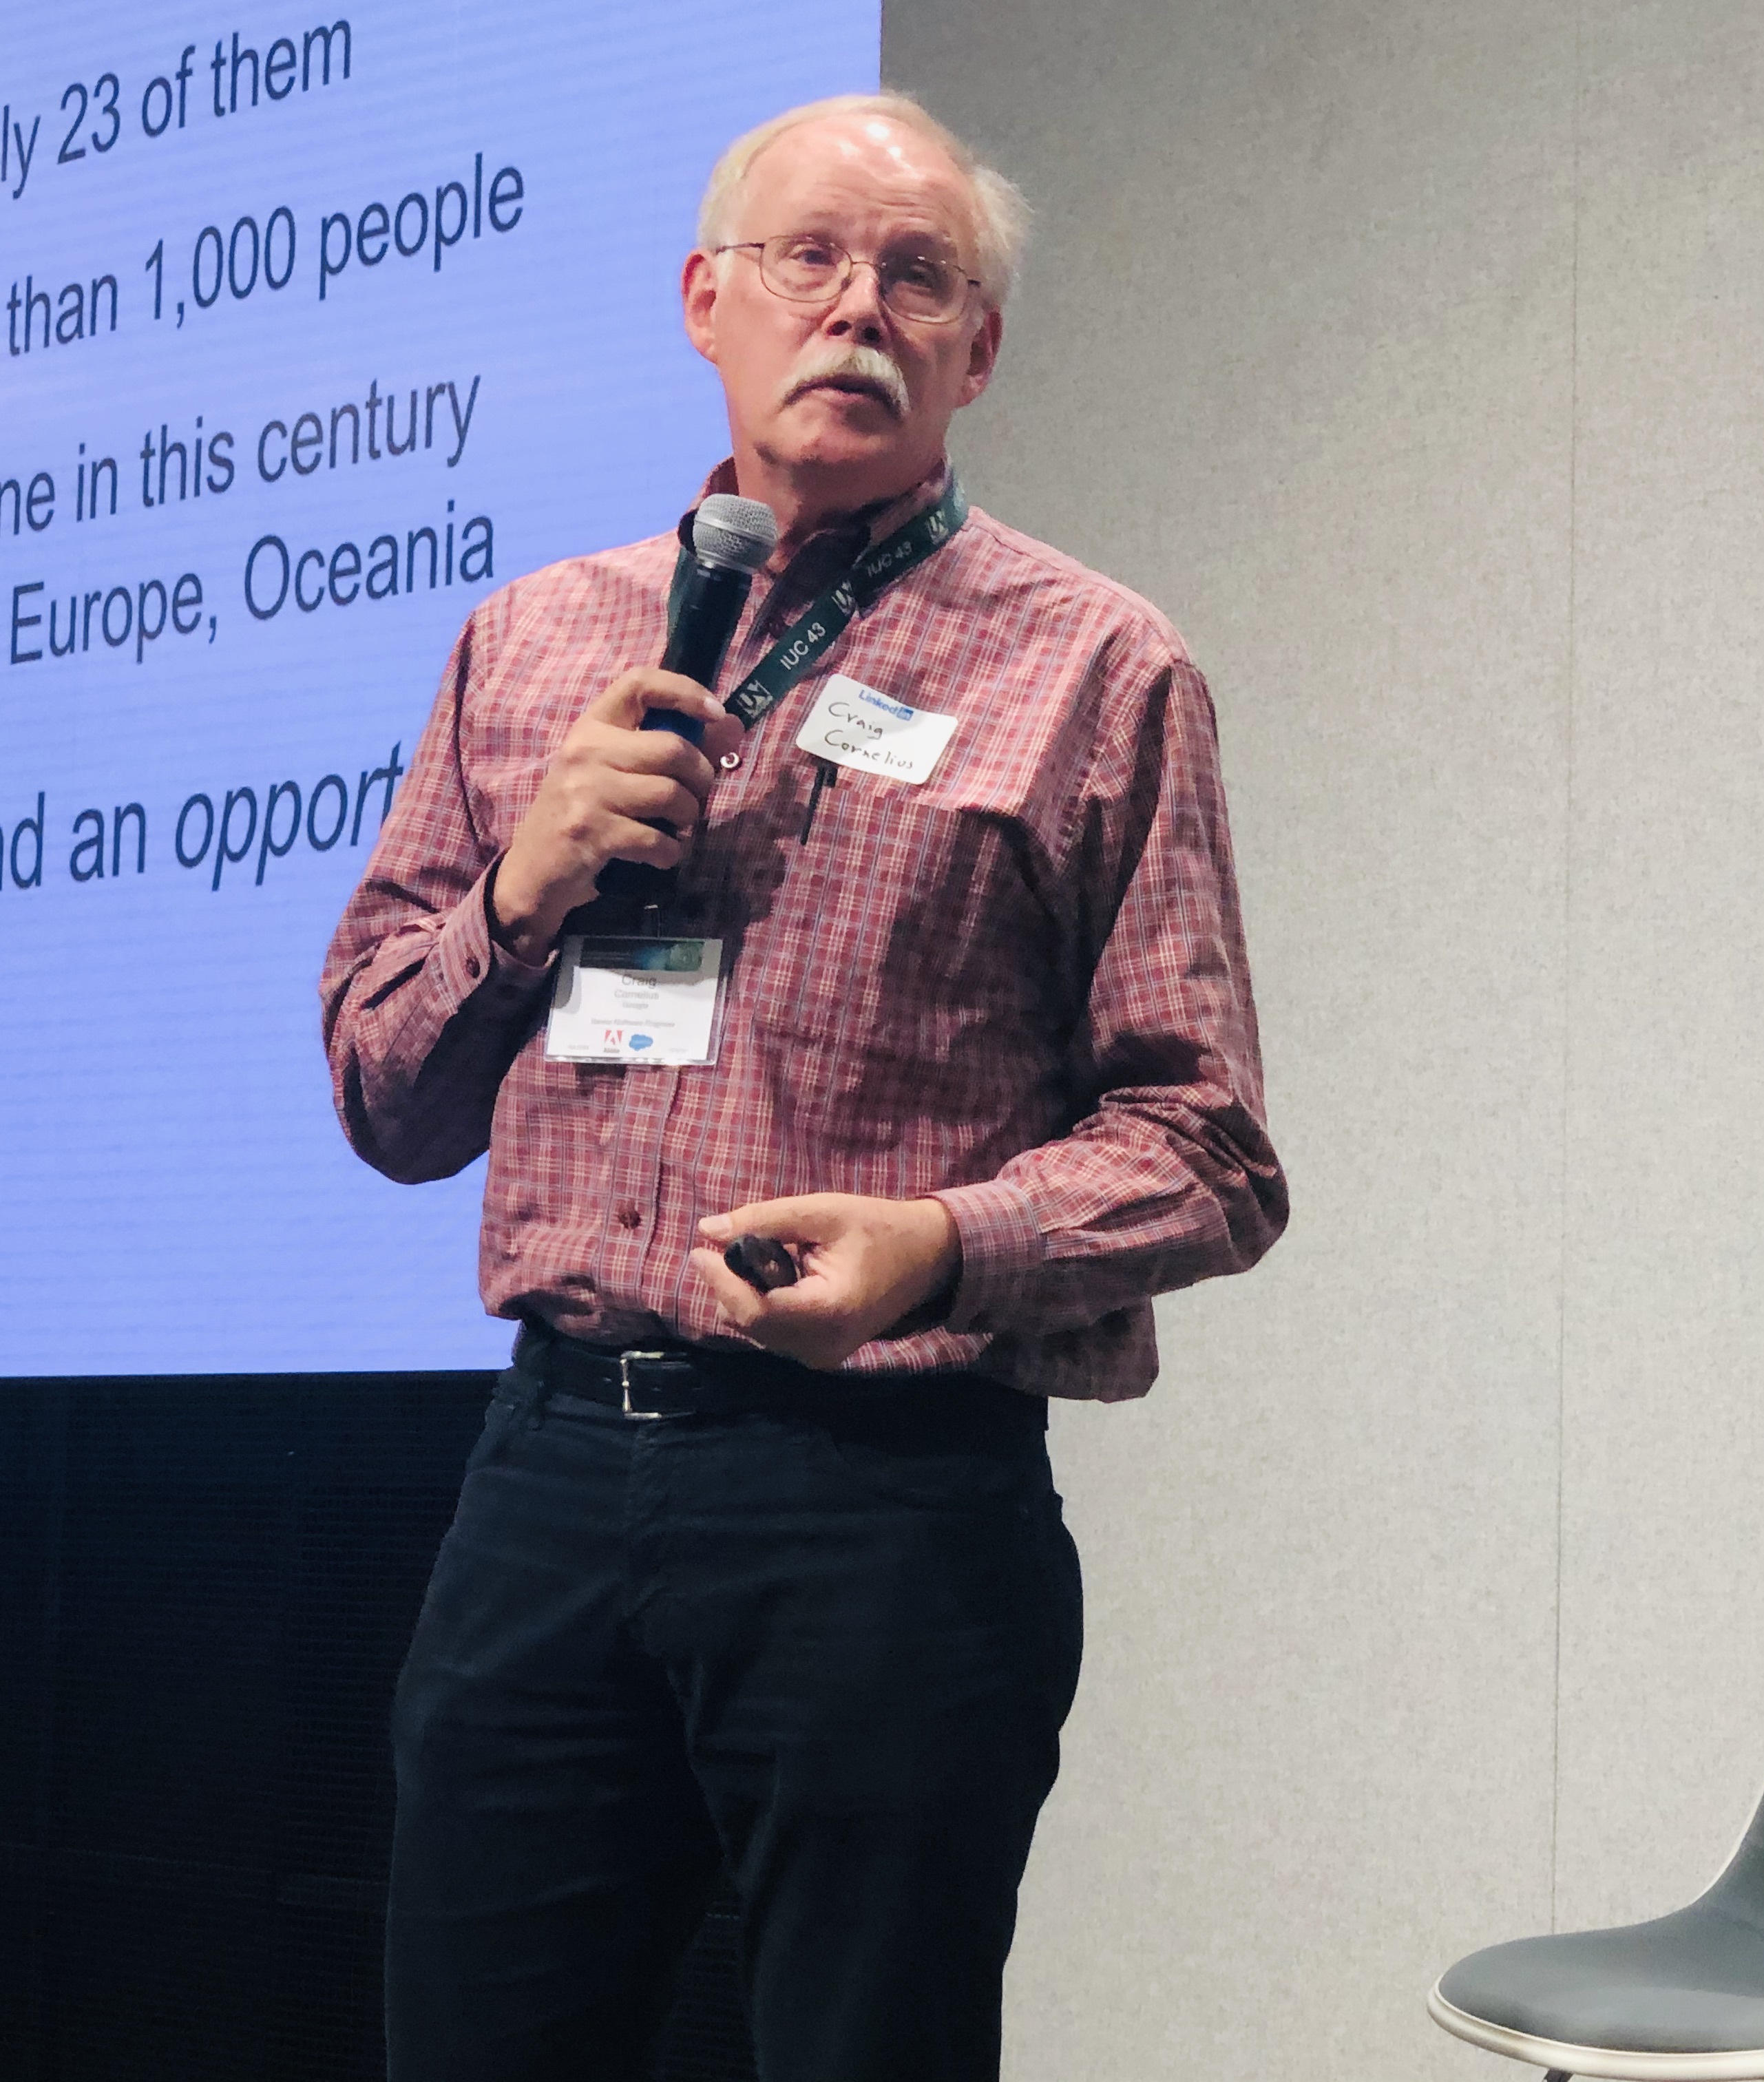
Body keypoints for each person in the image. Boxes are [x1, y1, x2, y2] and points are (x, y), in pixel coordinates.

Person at [319, 91, 1286, 2082]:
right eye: (810, 259)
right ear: (706, 301)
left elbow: (1208, 1149)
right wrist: (522, 890)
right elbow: (385, 1097)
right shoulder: (530, 641)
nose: (859, 307)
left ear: (978, 352)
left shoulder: (1099, 670)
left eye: (918, 278)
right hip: (552, 1477)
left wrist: (940, 1248)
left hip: (887, 1510)